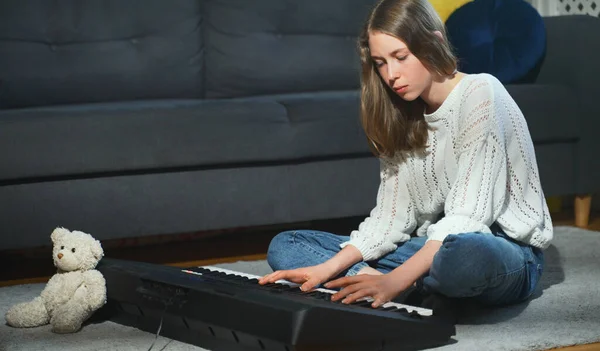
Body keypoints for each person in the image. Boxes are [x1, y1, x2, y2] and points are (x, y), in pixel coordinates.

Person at [258, 0, 552, 310]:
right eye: (381, 62)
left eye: (400, 57)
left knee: (463, 258)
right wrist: (326, 269)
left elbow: (469, 217)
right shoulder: (400, 112)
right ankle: (391, 283)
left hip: (501, 249)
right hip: (429, 248)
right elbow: (389, 219)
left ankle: (401, 284)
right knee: (286, 247)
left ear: (434, 42)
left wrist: (395, 278)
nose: (391, 75)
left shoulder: (481, 93)